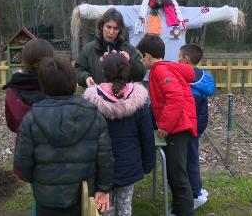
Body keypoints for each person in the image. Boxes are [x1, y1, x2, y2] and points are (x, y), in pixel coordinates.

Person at [14, 58, 114, 216]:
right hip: (82, 196)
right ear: (74, 83)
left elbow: (22, 163)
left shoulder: (31, 119)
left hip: (46, 199)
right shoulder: (93, 115)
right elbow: (105, 158)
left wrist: (38, 181)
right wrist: (103, 187)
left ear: (43, 86)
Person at [83, 51, 155, 216]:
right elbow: (147, 135)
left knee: (105, 207)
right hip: (129, 164)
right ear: (127, 71)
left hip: (101, 166)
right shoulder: (139, 100)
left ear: (103, 71)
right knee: (125, 208)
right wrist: (148, 164)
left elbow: (87, 136)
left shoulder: (91, 101)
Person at [137, 34, 197, 216]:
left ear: (147, 56)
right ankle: (179, 208)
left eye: (141, 56)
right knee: (175, 172)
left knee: (177, 174)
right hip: (179, 126)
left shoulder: (161, 71)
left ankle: (184, 211)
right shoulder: (163, 69)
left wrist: (164, 125)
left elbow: (175, 97)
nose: (141, 60)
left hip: (177, 129)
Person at [178, 43, 215, 210]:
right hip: (199, 124)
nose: (177, 59)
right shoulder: (204, 77)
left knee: (189, 159)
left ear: (186, 59)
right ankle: (196, 188)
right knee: (192, 156)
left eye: (179, 56)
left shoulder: (184, 77)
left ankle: (195, 194)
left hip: (188, 125)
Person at [75, 8, 146, 87]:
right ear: (102, 26)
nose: (111, 32)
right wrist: (85, 78)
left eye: (115, 29)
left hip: (122, 97)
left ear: (120, 30)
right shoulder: (89, 49)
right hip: (96, 96)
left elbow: (141, 73)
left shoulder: (128, 49)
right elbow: (78, 70)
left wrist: (130, 62)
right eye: (108, 27)